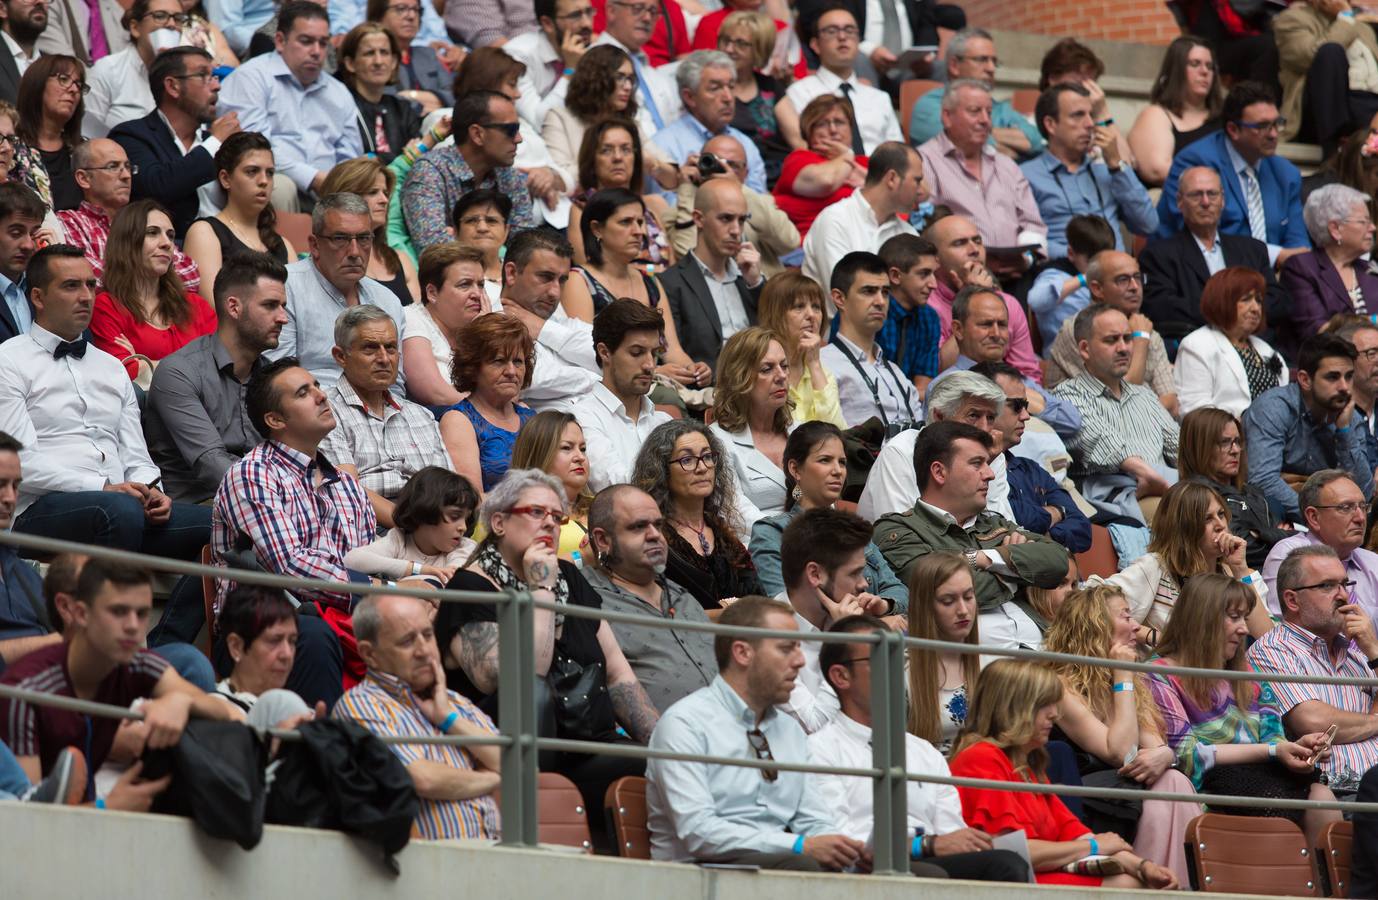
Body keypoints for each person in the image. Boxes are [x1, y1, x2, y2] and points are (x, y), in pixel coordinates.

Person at [437, 468, 656, 818]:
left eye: (557, 516)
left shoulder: (569, 577)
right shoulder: (470, 587)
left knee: (670, 762)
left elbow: (618, 675)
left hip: (591, 741)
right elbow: (521, 679)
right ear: (499, 523)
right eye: (537, 512)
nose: (551, 524)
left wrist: (668, 747)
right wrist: (541, 588)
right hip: (518, 756)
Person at [0, 245, 212, 558]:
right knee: (118, 509)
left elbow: (136, 455)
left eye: (90, 285)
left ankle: (176, 610)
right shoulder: (8, 360)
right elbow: (21, 463)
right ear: (38, 298)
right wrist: (101, 487)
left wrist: (151, 491)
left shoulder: (112, 367)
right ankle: (103, 606)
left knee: (221, 524)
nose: (86, 297)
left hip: (120, 503)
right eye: (71, 286)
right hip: (39, 509)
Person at [645, 594, 872, 871]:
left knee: (905, 871)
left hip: (773, 867)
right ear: (743, 653)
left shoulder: (789, 729)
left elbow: (813, 819)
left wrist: (842, 850)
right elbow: (698, 832)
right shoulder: (684, 723)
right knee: (804, 866)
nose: (800, 661)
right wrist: (799, 845)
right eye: (787, 649)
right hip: (698, 873)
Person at [809, 612, 1029, 882]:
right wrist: (924, 845)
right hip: (866, 876)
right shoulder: (820, 750)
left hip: (931, 861)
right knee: (1004, 866)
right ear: (841, 676)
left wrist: (948, 844)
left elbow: (953, 836)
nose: (893, 668)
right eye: (880, 658)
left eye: (896, 657)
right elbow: (840, 844)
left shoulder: (924, 751)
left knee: (1009, 860)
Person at [0, 559, 240, 806]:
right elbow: (28, 820)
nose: (133, 627)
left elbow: (233, 715)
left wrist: (180, 702)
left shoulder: (135, 662)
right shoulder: (25, 689)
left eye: (142, 614)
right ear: (80, 613)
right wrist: (107, 807)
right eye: (118, 612)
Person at [209, 356, 373, 696]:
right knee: (312, 634)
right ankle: (324, 745)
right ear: (275, 419)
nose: (321, 395)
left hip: (340, 617)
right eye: (303, 392)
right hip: (260, 630)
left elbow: (366, 557)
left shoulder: (346, 483)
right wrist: (376, 589)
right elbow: (288, 565)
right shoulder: (252, 474)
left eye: (316, 385)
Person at [1148, 573, 1341, 848]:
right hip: (1209, 792)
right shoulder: (1160, 674)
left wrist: (1296, 748)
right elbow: (1186, 756)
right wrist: (1273, 752)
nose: (1243, 629)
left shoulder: (1249, 673)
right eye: (1233, 617)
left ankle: (1320, 886)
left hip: (1265, 781)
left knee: (1322, 796)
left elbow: (1273, 736)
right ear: (1202, 619)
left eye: (1244, 618)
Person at [950, 659, 1179, 889]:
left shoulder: (1027, 764)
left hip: (1030, 875)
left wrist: (1143, 866)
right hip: (1007, 882)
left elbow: (1074, 832)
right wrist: (1094, 848)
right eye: (1043, 704)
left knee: (1138, 880)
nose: (1054, 714)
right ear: (1011, 708)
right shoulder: (981, 758)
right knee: (1126, 884)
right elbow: (1011, 851)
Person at [1042, 585, 1199, 886]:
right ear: (1094, 624)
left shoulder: (1134, 683)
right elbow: (1119, 752)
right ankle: (1162, 883)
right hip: (1086, 801)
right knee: (1171, 783)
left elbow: (1156, 747)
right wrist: (1122, 676)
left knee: (1173, 779)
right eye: (1125, 616)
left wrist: (1166, 754)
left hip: (1129, 794)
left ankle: (1165, 883)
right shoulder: (1059, 684)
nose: (1136, 626)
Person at [874, 421, 1072, 648]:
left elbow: (1058, 561)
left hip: (1040, 654)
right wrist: (1018, 572)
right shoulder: (897, 530)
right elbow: (944, 590)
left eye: (987, 464)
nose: (989, 474)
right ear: (939, 472)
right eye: (977, 464)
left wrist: (986, 559)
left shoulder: (994, 522)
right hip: (965, 666)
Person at [334, 592, 501, 841]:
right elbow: (422, 778)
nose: (424, 651)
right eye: (407, 642)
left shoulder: (453, 702)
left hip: (495, 860)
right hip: (429, 869)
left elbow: (517, 765)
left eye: (428, 635)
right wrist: (492, 779)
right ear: (369, 654)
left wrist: (448, 718)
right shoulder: (361, 704)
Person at [145, 252, 287, 503]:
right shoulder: (179, 372)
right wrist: (285, 495)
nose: (283, 318)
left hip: (267, 499)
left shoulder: (270, 375)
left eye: (283, 306)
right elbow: (212, 465)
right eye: (270, 305)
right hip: (203, 506)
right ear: (234, 307)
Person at [1249, 544, 1378, 793]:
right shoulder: (1273, 651)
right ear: (1292, 600)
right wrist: (1375, 720)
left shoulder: (1359, 651)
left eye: (1344, 584)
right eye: (1327, 586)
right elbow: (1312, 721)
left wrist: (1374, 651)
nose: (1342, 595)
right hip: (1336, 793)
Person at [582, 484, 718, 712]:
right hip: (658, 742)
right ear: (603, 540)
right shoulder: (587, 597)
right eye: (638, 527)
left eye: (658, 525)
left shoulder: (682, 596)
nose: (655, 535)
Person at [216, 2, 363, 211]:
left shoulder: (338, 91)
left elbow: (351, 157)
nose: (316, 51)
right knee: (280, 187)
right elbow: (251, 152)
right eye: (306, 41)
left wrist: (340, 183)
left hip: (331, 191)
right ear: (280, 41)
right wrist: (313, 178)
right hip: (274, 181)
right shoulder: (250, 78)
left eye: (323, 43)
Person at [748, 421, 908, 610]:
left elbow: (899, 591)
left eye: (842, 462)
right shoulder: (772, 532)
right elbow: (784, 606)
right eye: (825, 460)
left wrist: (884, 606)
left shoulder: (853, 528)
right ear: (795, 469)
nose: (837, 471)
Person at [319, 305, 452, 530]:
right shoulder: (325, 410)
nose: (384, 358)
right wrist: (417, 530)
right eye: (370, 349)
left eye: (390, 348)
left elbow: (447, 487)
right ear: (341, 356)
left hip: (434, 525)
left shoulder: (420, 414)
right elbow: (347, 490)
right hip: (368, 525)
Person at [268, 192, 408, 397]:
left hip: (382, 413)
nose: (354, 252)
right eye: (340, 239)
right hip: (315, 414)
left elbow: (395, 384)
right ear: (315, 245)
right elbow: (278, 378)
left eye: (363, 239)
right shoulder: (285, 288)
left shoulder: (387, 300)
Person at [1156, 81, 1309, 267]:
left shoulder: (1286, 174)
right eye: (1262, 126)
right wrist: (1276, 255)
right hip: (1199, 274)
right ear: (1233, 130)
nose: (1274, 134)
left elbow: (1298, 244)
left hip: (1271, 281)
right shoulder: (1196, 163)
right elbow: (1202, 238)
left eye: (1277, 123)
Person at [1103, 480, 1273, 646]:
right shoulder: (1156, 567)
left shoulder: (1242, 576)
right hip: (1168, 672)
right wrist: (1156, 638)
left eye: (1221, 514)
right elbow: (1097, 601)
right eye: (1207, 519)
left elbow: (1269, 641)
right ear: (1184, 528)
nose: (1220, 525)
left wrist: (1240, 569)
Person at [1052, 305, 1180, 523]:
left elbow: (1179, 448)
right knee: (1185, 516)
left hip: (1169, 488)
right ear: (1085, 349)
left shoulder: (1145, 396)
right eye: (1111, 340)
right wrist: (1148, 474)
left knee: (1224, 507)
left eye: (1128, 338)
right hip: (1118, 498)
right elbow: (1099, 441)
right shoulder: (1067, 396)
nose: (1124, 348)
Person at [774, 506, 893, 734]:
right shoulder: (769, 635)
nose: (864, 584)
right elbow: (813, 726)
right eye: (853, 573)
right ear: (815, 575)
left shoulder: (846, 618)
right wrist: (842, 640)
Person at [1138, 166, 1286, 348]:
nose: (1206, 202)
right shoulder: (1158, 254)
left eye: (1212, 194)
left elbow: (1277, 301)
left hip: (1255, 347)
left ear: (1222, 200)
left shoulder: (1252, 249)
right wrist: (1233, 312)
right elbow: (1161, 307)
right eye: (1196, 195)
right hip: (1198, 348)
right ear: (1179, 202)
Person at [916, 79, 1048, 275]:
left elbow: (1033, 223)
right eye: (975, 111)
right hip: (957, 278)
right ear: (947, 116)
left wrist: (1027, 259)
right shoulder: (925, 162)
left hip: (1018, 273)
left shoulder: (1006, 165)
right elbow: (927, 228)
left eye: (989, 111)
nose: (985, 120)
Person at [108, 45, 239, 239]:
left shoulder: (213, 142)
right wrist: (215, 142)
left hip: (231, 248)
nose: (216, 86)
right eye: (204, 75)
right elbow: (156, 188)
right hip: (171, 252)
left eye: (214, 76)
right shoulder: (131, 136)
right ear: (172, 86)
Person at [632, 419, 763, 610]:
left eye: (707, 457)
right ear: (662, 471)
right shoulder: (653, 538)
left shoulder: (721, 532)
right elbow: (663, 612)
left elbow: (758, 599)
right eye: (687, 460)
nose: (702, 468)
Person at [1243, 333, 1373, 523]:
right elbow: (1263, 481)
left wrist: (1344, 433)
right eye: (1333, 377)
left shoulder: (1349, 416)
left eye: (1349, 377)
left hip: (1331, 523)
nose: (1345, 387)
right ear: (1305, 379)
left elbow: (1365, 492)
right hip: (1277, 520)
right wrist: (1320, 519)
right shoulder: (1274, 408)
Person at [855, 368, 1011, 523]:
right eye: (973, 415)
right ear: (939, 416)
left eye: (990, 418)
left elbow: (1002, 526)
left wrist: (981, 464)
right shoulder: (901, 452)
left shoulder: (992, 456)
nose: (984, 428)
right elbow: (900, 536)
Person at [1022, 83, 1158, 260]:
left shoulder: (1107, 169)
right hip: (1064, 276)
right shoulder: (1026, 175)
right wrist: (1081, 258)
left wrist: (1117, 165)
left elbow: (1148, 224)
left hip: (1118, 279)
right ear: (1051, 124)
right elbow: (1029, 242)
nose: (1089, 124)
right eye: (1078, 115)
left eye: (1091, 115)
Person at [89, 199, 216, 383]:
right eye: (152, 233)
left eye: (171, 235)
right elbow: (123, 375)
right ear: (126, 241)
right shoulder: (106, 307)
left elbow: (220, 367)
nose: (167, 243)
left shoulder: (195, 305)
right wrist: (195, 367)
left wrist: (145, 364)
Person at [936, 290, 1084, 442]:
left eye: (1002, 325)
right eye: (986, 324)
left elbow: (1072, 422)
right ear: (958, 329)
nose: (996, 333)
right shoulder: (946, 386)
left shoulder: (1017, 380)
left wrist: (1023, 402)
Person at [976, 361, 1091, 553]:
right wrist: (1056, 513)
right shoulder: (971, 469)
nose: (1026, 416)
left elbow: (1083, 529)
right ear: (984, 406)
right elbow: (1009, 517)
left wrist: (1043, 538)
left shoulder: (1031, 469)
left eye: (1026, 406)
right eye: (1017, 406)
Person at [55, 138, 201, 290]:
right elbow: (88, 279)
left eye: (128, 167)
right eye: (113, 167)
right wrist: (152, 276)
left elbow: (190, 275)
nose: (127, 176)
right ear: (84, 178)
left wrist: (130, 277)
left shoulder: (146, 221)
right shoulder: (69, 222)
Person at [401, 90, 534, 254]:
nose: (518, 138)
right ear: (477, 134)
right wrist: (493, 249)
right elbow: (435, 249)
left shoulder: (509, 175)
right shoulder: (430, 171)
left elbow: (526, 248)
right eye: (511, 129)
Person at [452, 47, 569, 226]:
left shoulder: (524, 124)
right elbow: (469, 167)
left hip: (559, 219)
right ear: (487, 84)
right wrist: (529, 182)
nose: (518, 94)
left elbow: (565, 176)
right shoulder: (447, 121)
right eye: (512, 84)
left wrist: (550, 176)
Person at [660, 179, 763, 376]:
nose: (736, 231)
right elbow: (674, 353)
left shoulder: (750, 277)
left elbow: (776, 336)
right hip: (710, 394)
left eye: (741, 220)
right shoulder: (671, 283)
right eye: (726, 219)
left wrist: (756, 284)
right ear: (698, 219)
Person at [182, 132, 295, 309]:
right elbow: (214, 308)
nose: (264, 181)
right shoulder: (205, 232)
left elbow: (298, 308)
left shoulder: (284, 245)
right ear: (225, 179)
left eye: (270, 173)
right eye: (252, 171)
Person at [923, 213, 1041, 383]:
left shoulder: (1007, 303)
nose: (974, 250)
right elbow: (941, 370)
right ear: (936, 259)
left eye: (977, 241)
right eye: (960, 243)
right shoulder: (926, 303)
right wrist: (971, 295)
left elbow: (1028, 373)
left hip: (1013, 398)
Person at [541, 45, 666, 198]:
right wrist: (611, 159)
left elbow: (672, 177)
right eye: (620, 77)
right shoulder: (559, 117)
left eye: (630, 79)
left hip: (627, 205)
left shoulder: (628, 124)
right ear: (595, 78)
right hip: (578, 208)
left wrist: (654, 166)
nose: (628, 87)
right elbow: (561, 179)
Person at [667, 134, 798, 280]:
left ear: (745, 173)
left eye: (733, 165)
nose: (722, 169)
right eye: (714, 162)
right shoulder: (679, 212)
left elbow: (789, 242)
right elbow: (688, 255)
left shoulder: (761, 203)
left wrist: (738, 189)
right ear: (700, 165)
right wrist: (687, 187)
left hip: (767, 296)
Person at [573, 297, 671, 492]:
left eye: (654, 353)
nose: (650, 365)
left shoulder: (664, 421)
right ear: (605, 352)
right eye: (637, 352)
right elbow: (616, 486)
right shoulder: (581, 418)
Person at [498, 228, 602, 413]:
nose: (555, 292)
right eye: (545, 277)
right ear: (512, 273)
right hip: (553, 435)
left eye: (562, 280)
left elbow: (611, 355)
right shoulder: (490, 320)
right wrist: (599, 378)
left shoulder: (560, 323)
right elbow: (532, 379)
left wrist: (544, 330)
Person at [776, 6, 901, 156]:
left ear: (858, 40)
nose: (842, 37)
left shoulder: (880, 98)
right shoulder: (798, 93)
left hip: (880, 174)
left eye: (849, 30)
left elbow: (898, 153)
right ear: (815, 44)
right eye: (831, 31)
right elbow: (804, 150)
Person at [818, 251, 922, 431]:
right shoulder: (822, 364)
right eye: (869, 291)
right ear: (839, 298)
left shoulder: (896, 372)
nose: (881, 301)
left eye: (886, 292)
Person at [1178, 406, 1291, 571]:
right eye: (1225, 442)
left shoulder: (1250, 491)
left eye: (1238, 442)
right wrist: (1276, 535)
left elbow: (1293, 539)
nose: (1236, 450)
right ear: (1200, 446)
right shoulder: (1196, 497)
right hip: (1241, 581)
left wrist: (1263, 535)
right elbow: (1240, 549)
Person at [801, 142, 920, 296]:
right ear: (892, 179)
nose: (921, 191)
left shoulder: (908, 233)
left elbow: (916, 297)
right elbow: (846, 298)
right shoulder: (835, 220)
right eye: (917, 180)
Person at [438, 313, 535, 494]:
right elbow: (472, 500)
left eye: (518, 361)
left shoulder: (528, 415)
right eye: (499, 361)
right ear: (473, 367)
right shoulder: (459, 421)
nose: (512, 372)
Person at [909, 27, 1041, 157]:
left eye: (994, 61)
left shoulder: (1001, 109)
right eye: (982, 60)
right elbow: (964, 145)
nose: (991, 68)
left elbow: (1036, 141)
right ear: (954, 65)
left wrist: (982, 132)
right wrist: (1011, 147)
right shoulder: (929, 106)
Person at [1262, 470, 1378, 618]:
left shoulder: (1373, 562)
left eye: (1363, 507)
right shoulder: (1289, 556)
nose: (1360, 518)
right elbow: (1282, 628)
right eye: (1346, 508)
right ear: (1313, 517)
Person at [649, 50, 767, 196]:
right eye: (715, 88)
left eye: (731, 86)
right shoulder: (663, 146)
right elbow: (661, 211)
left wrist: (737, 189)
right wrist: (683, 187)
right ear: (690, 97)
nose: (728, 97)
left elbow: (762, 209)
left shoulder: (745, 144)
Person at [1176, 267, 1289, 417]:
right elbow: (1196, 412)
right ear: (1222, 301)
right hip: (1226, 438)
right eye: (1246, 299)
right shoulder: (1197, 345)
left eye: (1259, 300)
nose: (1256, 308)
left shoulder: (1265, 349)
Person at [708, 327, 791, 526]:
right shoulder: (717, 439)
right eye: (767, 369)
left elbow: (823, 497)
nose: (781, 376)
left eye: (784, 365)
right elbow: (734, 512)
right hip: (756, 545)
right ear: (739, 377)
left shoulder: (799, 431)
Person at [342, 465, 478, 585]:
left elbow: (446, 581)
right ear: (425, 510)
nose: (463, 527)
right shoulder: (399, 539)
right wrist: (416, 569)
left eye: (466, 519)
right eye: (454, 516)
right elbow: (351, 560)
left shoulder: (464, 548)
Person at [567, 119, 673, 271]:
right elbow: (587, 272)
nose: (618, 157)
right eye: (606, 150)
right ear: (592, 160)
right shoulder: (582, 209)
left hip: (667, 291)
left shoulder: (655, 204)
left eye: (626, 149)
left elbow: (674, 266)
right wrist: (651, 273)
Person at [1274, 0, 1378, 150]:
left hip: (1369, 103)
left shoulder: (1363, 28)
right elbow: (1310, 58)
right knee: (1330, 51)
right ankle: (1331, 149)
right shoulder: (1293, 19)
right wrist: (1345, 18)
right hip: (1323, 105)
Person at [905, 552, 983, 752]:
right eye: (948, 601)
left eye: (968, 597)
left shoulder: (988, 664)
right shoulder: (901, 672)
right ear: (926, 607)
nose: (963, 610)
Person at [81, 0, 187, 139]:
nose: (172, 24)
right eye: (160, 16)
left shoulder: (186, 78)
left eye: (178, 18)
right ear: (135, 28)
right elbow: (86, 133)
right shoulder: (108, 70)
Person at [1283, 184, 1378, 338]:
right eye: (1363, 222)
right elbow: (1317, 330)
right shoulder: (1301, 268)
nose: (1373, 227)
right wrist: (1373, 321)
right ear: (1335, 229)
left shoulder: (1369, 270)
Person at [1127, 36, 1224, 186]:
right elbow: (1157, 170)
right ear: (1176, 70)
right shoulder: (1156, 114)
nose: (1204, 71)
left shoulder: (1225, 118)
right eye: (1195, 64)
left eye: (1210, 66)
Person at [401, 242, 489, 408]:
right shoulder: (411, 318)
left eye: (481, 284)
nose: (477, 294)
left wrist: (485, 334)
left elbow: (508, 388)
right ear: (432, 293)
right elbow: (434, 393)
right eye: (465, 284)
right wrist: (489, 411)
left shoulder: (478, 325)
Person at [212, 585, 316, 725]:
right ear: (236, 646)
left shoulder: (303, 714)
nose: (287, 654)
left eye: (292, 641)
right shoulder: (212, 713)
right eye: (274, 641)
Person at [320, 157, 418, 307]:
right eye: (373, 192)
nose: (384, 200)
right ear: (345, 197)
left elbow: (418, 321)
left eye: (385, 193)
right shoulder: (325, 262)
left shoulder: (401, 260)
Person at [772, 94, 868, 240]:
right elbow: (826, 182)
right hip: (813, 242)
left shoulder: (865, 162)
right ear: (808, 131)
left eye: (840, 122)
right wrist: (847, 156)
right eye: (822, 124)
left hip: (867, 237)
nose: (833, 130)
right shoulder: (799, 159)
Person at [710, 11, 790, 185]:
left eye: (741, 44)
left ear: (759, 49)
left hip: (780, 175)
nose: (729, 49)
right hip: (737, 177)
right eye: (726, 40)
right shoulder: (710, 88)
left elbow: (797, 138)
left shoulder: (770, 85)